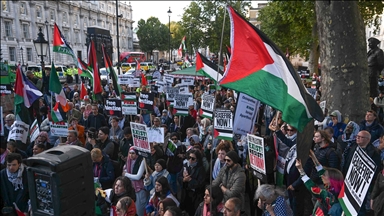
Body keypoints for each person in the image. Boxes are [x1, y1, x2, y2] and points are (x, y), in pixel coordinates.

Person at [296, 150, 344, 216]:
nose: (322, 176)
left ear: (331, 180)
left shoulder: (327, 194)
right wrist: (313, 157)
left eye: (324, 175)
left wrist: (300, 170)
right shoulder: (338, 191)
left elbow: (312, 188)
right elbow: (322, 172)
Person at [178, 149, 206, 215]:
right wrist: (184, 179)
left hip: (195, 196)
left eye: (193, 159)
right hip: (185, 194)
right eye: (189, 157)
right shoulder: (185, 165)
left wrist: (190, 180)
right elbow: (179, 177)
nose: (190, 160)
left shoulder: (201, 169)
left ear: (197, 160)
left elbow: (200, 184)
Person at [123, 146, 147, 216]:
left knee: (139, 211)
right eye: (130, 153)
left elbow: (138, 177)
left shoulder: (141, 161)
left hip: (139, 189)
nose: (131, 155)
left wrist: (126, 174)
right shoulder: (128, 162)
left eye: (133, 153)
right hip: (131, 189)